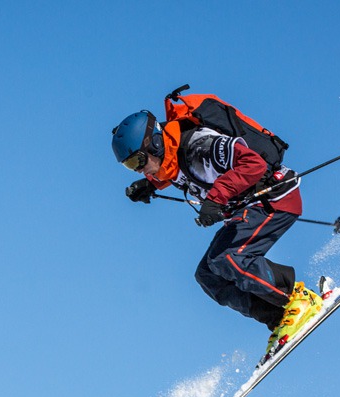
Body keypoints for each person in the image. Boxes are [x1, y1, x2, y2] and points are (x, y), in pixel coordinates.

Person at [111, 109, 326, 355]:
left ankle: (298, 297)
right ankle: (280, 317)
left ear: (156, 144)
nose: (138, 169)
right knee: (207, 275)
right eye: (129, 166)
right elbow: (175, 171)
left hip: (273, 198)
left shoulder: (202, 145)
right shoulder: (169, 161)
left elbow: (253, 163)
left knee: (228, 259)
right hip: (247, 209)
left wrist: (216, 197)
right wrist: (147, 185)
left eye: (137, 161)